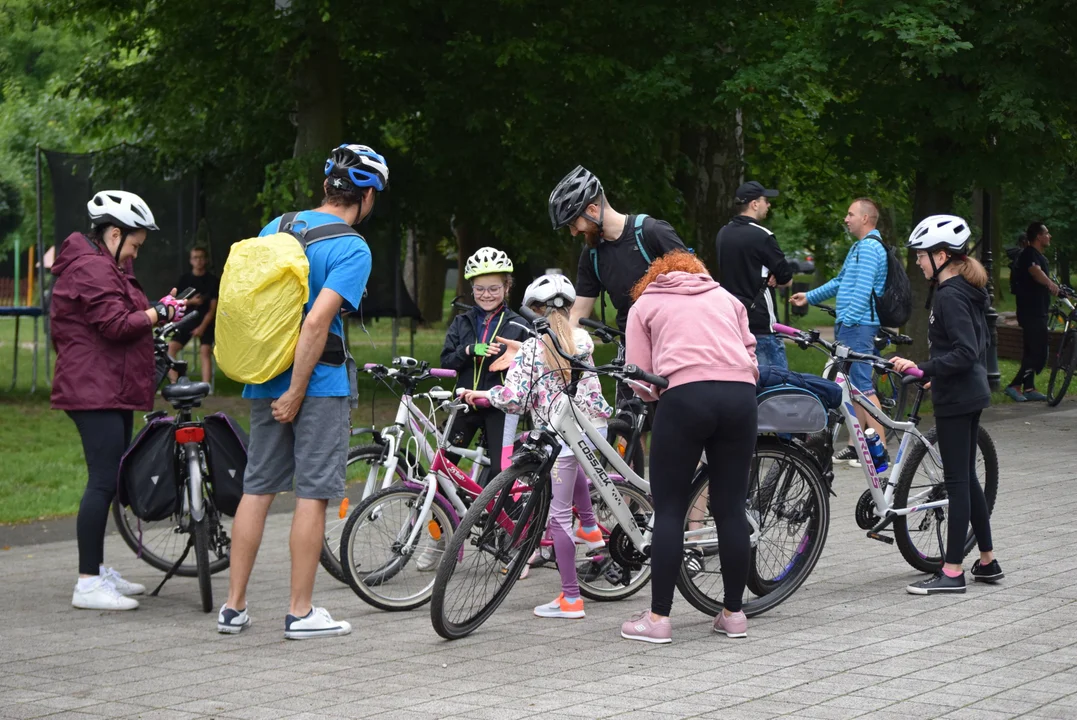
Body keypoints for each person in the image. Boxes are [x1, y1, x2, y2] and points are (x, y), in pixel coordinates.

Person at [218, 144, 386, 639]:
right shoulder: (353, 247)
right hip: (318, 385)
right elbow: (316, 322)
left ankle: (233, 607)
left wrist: (275, 383)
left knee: (258, 488)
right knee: (312, 495)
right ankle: (300, 611)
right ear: (368, 194)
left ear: (327, 186)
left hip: (262, 374)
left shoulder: (279, 225)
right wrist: (295, 390)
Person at [51, 190, 186, 611]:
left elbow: (126, 312)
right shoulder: (91, 268)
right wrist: (158, 315)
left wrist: (157, 310)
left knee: (109, 480)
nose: (135, 253)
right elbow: (114, 325)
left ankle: (97, 569)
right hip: (92, 389)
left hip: (107, 386)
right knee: (101, 482)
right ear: (114, 233)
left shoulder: (105, 265)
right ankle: (88, 583)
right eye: (134, 244)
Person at [620, 250, 758, 643]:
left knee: (670, 509)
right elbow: (751, 354)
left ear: (655, 276)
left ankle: (659, 619)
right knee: (731, 508)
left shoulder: (645, 304)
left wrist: (657, 399)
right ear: (699, 274)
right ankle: (733, 614)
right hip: (740, 397)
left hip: (684, 398)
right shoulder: (727, 298)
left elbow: (641, 376)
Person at [460, 274, 612, 620]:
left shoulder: (532, 349)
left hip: (561, 435)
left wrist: (483, 394)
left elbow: (514, 400)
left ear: (533, 311)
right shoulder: (583, 339)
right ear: (570, 306)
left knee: (558, 518)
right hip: (591, 430)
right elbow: (557, 350)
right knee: (570, 472)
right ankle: (588, 524)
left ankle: (571, 598)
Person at [891, 215, 1003, 594]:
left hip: (957, 397)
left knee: (956, 483)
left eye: (921, 255)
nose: (918, 262)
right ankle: (987, 561)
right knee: (967, 478)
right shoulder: (964, 291)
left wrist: (923, 368)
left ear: (941, 255)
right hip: (969, 393)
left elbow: (966, 351)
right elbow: (979, 344)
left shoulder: (951, 295)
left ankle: (952, 572)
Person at [548, 165, 688, 407]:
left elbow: (697, 282)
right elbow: (579, 313)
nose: (573, 233)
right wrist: (555, 344)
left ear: (593, 209)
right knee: (627, 425)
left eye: (573, 223)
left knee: (679, 423)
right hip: (631, 345)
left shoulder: (652, 232)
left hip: (673, 343)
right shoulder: (591, 254)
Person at [792, 198, 889, 466]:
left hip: (857, 326)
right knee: (852, 384)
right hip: (852, 325)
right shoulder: (860, 247)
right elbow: (840, 281)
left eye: (850, 214)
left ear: (866, 219)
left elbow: (862, 289)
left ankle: (880, 454)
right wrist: (809, 297)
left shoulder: (870, 248)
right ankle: (858, 446)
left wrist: (848, 319)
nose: (846, 219)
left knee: (863, 386)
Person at [440, 247, 531, 480]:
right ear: (472, 289)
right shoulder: (462, 322)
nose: (486, 295)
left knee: (501, 472)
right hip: (465, 402)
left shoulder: (519, 325)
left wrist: (517, 359)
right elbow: (447, 361)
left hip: (499, 406)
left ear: (507, 288)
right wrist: (469, 350)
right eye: (479, 289)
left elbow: (534, 364)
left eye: (494, 289)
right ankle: (441, 515)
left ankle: (495, 515)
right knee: (443, 466)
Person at [716, 181, 794, 368]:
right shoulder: (762, 236)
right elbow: (787, 278)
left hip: (732, 320)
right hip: (761, 323)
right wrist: (774, 277)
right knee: (777, 386)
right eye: (766, 200)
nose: (769, 205)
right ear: (754, 204)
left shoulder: (723, 234)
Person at [1005, 222, 1060, 402]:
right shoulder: (1029, 254)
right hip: (1032, 312)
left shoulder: (1037, 255)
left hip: (1037, 310)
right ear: (1038, 236)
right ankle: (1014, 385)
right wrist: (1051, 284)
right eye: (1047, 233)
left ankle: (1029, 387)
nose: (1049, 236)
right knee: (1038, 353)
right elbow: (1035, 272)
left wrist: (1060, 288)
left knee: (1031, 351)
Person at [167, 246, 218, 385]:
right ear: (191, 260)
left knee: (205, 350)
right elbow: (176, 302)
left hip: (206, 322)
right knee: (169, 348)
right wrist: (191, 301)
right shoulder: (185, 279)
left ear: (206, 260)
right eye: (195, 257)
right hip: (187, 320)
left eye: (201, 257)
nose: (199, 261)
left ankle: (206, 386)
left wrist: (202, 327)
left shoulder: (212, 280)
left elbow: (213, 309)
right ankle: (175, 383)